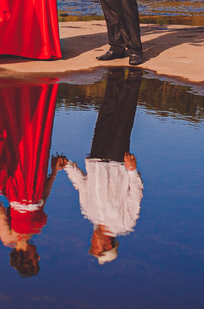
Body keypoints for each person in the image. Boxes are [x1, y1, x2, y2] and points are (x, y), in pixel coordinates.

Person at [0, 82, 61, 278]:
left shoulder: (9, 238)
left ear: (25, 260)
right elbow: (43, 198)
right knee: (36, 140)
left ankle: (14, 97)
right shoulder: (34, 232)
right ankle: (35, 94)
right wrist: (54, 173)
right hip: (36, 180)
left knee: (20, 144)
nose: (38, 257)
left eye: (35, 261)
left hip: (19, 186)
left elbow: (0, 213)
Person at [57, 67, 144, 265]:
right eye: (94, 245)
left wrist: (68, 166)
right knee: (123, 119)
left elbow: (82, 185)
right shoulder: (125, 224)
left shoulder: (89, 214)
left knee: (106, 114)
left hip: (96, 161)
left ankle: (115, 76)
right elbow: (135, 194)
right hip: (116, 163)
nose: (91, 241)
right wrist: (132, 171)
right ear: (107, 245)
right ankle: (133, 77)